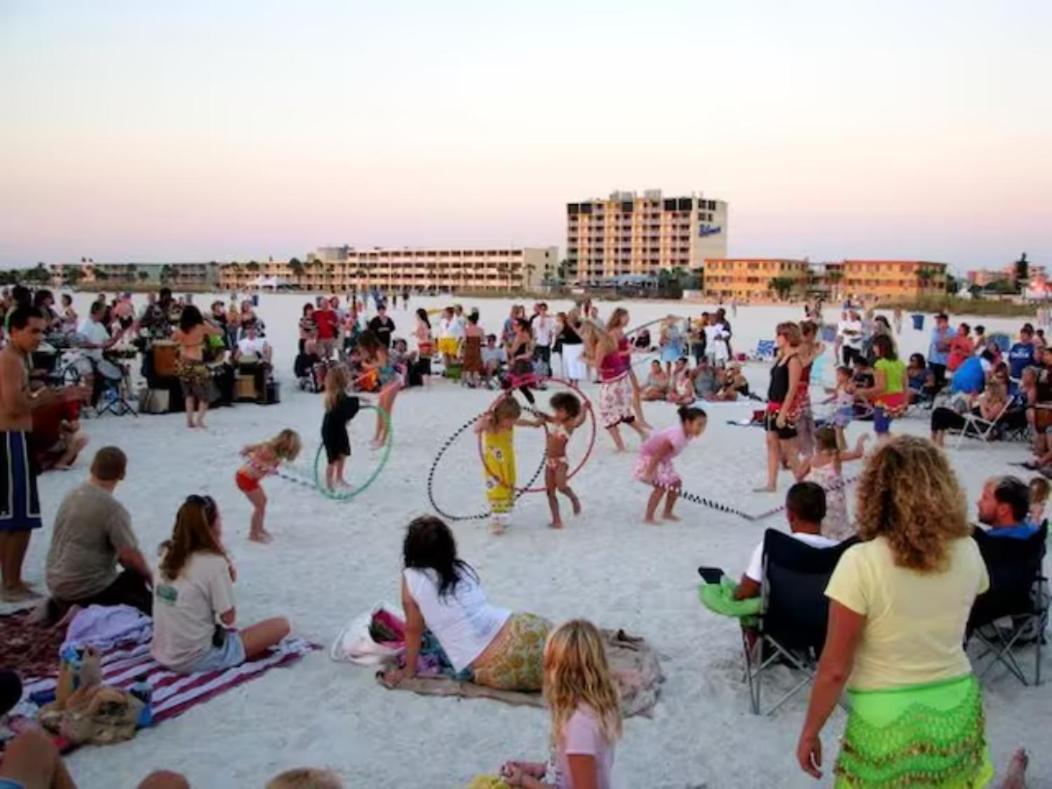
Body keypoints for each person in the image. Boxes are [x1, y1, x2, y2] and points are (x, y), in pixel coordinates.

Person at [796, 437, 993, 787]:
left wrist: (811, 731)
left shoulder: (861, 562)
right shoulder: (969, 550)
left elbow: (834, 668)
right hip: (957, 706)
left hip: (885, 719)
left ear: (876, 492)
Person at [382, 516, 552, 691]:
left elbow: (413, 629)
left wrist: (409, 671)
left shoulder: (411, 577)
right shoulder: (462, 569)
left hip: (503, 664)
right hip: (528, 627)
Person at [1, 308, 88, 601]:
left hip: (18, 437)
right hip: (11, 438)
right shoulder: (10, 360)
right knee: (18, 515)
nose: (39, 337)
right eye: (33, 331)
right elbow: (14, 406)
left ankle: (13, 579)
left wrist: (55, 396)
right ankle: (10, 583)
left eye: (41, 331)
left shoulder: (19, 358)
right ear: (14, 331)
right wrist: (48, 399)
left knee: (20, 514)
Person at [151, 496, 290, 674]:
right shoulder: (213, 563)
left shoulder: (167, 551)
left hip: (162, 651)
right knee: (281, 625)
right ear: (213, 524)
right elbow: (228, 618)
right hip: (196, 658)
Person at [493, 620, 622, 789]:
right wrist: (541, 769)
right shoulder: (593, 707)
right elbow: (576, 768)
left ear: (560, 672)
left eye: (547, 663)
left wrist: (524, 781)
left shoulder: (580, 725)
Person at [44, 446, 152, 620]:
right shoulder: (112, 509)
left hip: (55, 581)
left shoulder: (72, 495)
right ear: (122, 474)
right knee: (136, 584)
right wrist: (150, 577)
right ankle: (82, 610)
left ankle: (64, 606)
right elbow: (130, 557)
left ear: (92, 468)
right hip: (87, 588)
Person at [734, 482, 838, 600]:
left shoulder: (771, 547)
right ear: (824, 513)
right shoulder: (843, 553)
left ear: (790, 515)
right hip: (827, 617)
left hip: (781, 617)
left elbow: (744, 593)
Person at [476, 396, 542, 534]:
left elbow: (520, 422)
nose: (512, 422)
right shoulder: (491, 425)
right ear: (500, 415)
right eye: (509, 419)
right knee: (497, 488)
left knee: (508, 484)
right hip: (494, 465)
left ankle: (503, 516)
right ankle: (496, 520)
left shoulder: (510, 424)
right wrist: (483, 420)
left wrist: (534, 424)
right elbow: (476, 429)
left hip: (508, 461)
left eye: (514, 419)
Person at [583, 313, 647, 452]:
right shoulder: (603, 340)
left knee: (607, 414)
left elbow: (597, 365)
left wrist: (584, 360)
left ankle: (621, 446)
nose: (583, 336)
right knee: (622, 412)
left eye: (584, 333)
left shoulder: (601, 343)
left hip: (614, 381)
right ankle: (642, 434)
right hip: (618, 379)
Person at [633, 406, 707, 524]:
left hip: (662, 459)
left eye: (704, 425)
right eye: (699, 424)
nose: (702, 429)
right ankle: (648, 517)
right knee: (661, 486)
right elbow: (657, 454)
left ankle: (667, 512)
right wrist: (648, 473)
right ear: (688, 422)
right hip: (650, 458)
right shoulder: (677, 436)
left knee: (676, 483)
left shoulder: (688, 433)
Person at [795, 427, 868, 541]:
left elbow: (799, 476)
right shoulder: (835, 456)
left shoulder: (812, 459)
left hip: (817, 498)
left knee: (822, 525)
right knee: (838, 526)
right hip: (834, 498)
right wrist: (860, 441)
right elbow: (858, 454)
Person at [757, 322, 803, 492]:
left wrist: (784, 412)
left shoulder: (794, 360)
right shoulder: (781, 356)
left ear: (787, 337)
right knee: (771, 443)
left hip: (783, 407)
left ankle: (802, 482)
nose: (776, 338)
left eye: (779, 335)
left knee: (788, 449)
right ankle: (771, 483)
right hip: (772, 405)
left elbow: (792, 388)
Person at [235, 429, 303, 543]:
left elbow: (255, 447)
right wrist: (266, 467)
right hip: (245, 478)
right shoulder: (269, 449)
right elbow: (255, 458)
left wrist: (248, 448)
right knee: (259, 506)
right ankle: (253, 534)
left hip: (251, 480)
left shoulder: (276, 452)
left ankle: (259, 529)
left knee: (263, 502)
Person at [535, 392, 587, 529]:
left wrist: (584, 409)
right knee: (550, 492)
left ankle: (573, 498)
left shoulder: (570, 424)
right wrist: (543, 416)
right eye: (556, 410)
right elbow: (549, 418)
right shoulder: (556, 420)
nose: (557, 413)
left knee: (562, 487)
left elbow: (580, 420)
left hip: (561, 461)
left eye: (560, 411)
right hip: (549, 462)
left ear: (570, 412)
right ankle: (556, 520)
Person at [172, 305, 223, 429]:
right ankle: (199, 420)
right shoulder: (201, 326)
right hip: (196, 362)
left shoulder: (180, 329)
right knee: (204, 395)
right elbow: (220, 332)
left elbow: (173, 339)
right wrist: (209, 319)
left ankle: (189, 420)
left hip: (183, 362)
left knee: (188, 394)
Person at [855, 334, 907, 442]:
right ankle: (895, 446)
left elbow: (881, 387)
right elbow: (905, 384)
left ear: (880, 347)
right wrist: (905, 401)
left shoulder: (880, 364)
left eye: (874, 346)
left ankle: (889, 451)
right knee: (884, 428)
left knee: (880, 431)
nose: (873, 349)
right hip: (898, 400)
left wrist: (862, 392)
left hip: (885, 401)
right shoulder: (900, 363)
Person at [321, 366, 362, 491]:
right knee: (332, 458)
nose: (349, 377)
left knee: (342, 453)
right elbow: (347, 407)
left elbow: (349, 404)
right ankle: (329, 483)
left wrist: (358, 401)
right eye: (346, 376)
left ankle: (339, 478)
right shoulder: (336, 396)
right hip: (331, 430)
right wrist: (358, 402)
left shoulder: (339, 393)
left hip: (338, 428)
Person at [357, 330, 400, 449]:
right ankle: (376, 436)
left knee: (386, 411)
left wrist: (367, 366)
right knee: (380, 410)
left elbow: (382, 365)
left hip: (393, 382)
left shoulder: (380, 351)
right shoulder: (372, 352)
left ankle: (383, 439)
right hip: (385, 383)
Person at [29, 397, 88, 472]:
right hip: (49, 442)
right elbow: (74, 426)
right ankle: (62, 462)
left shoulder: (21, 398)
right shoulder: (59, 401)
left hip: (26, 442)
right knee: (82, 438)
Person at [556, 309, 585, 385]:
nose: (570, 317)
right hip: (567, 345)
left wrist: (573, 327)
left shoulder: (580, 323)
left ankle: (576, 381)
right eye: (570, 315)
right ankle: (570, 379)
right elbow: (559, 334)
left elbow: (581, 335)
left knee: (576, 363)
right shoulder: (565, 323)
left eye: (573, 315)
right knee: (568, 363)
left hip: (577, 345)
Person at [928, 312, 953, 390]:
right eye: (937, 319)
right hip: (933, 360)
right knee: (932, 381)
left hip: (943, 362)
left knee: (940, 382)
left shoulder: (952, 331)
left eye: (939, 319)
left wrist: (945, 347)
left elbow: (951, 346)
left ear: (944, 320)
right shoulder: (935, 330)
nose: (937, 321)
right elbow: (938, 346)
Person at [461, 312, 485, 388]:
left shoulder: (466, 329)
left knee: (467, 366)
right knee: (475, 366)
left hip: (469, 349)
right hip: (476, 349)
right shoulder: (480, 329)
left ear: (470, 321)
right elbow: (482, 339)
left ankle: (467, 380)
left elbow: (464, 340)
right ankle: (476, 382)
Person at [531, 303, 554, 378]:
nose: (543, 311)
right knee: (537, 360)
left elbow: (551, 331)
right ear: (539, 310)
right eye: (541, 309)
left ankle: (545, 374)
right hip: (538, 342)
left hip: (546, 342)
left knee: (546, 360)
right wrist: (533, 341)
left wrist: (550, 339)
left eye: (544, 309)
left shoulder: (549, 320)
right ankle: (537, 374)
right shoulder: (535, 319)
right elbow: (534, 331)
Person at [413, 308, 434, 388]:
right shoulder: (427, 323)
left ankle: (425, 383)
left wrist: (415, 333)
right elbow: (429, 335)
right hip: (429, 344)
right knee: (427, 363)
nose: (415, 316)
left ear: (419, 315)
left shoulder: (420, 323)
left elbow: (420, 335)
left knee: (423, 363)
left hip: (423, 345)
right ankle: (429, 382)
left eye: (416, 314)